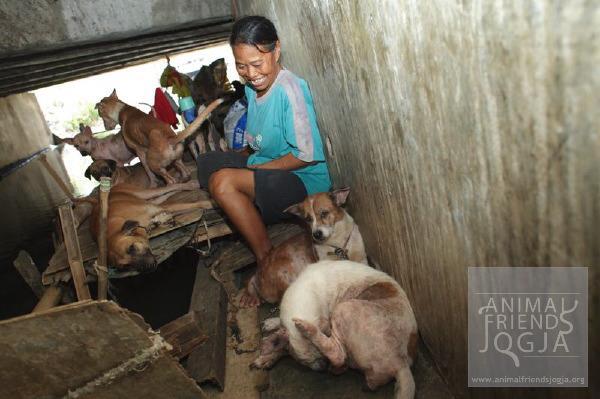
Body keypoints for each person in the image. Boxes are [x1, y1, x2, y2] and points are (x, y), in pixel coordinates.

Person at [197, 15, 331, 287]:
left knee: (222, 182)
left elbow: (305, 155)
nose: (251, 73)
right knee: (206, 163)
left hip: (303, 181)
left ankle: (265, 260)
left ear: (276, 50)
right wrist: (243, 159)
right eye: (241, 66)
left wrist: (252, 169)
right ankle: (249, 208)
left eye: (257, 64)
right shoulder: (250, 89)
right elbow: (257, 142)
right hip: (269, 167)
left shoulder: (289, 90)